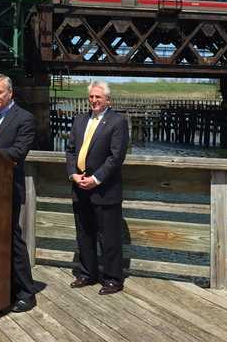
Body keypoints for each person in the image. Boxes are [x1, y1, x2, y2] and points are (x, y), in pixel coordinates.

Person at [0, 73, 37, 313]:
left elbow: (18, 151)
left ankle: (26, 292)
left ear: (10, 93)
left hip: (6, 189)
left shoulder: (24, 118)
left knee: (11, 239)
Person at [66, 81, 129, 295]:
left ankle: (112, 279)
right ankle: (87, 273)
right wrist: (73, 173)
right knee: (84, 233)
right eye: (91, 97)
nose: (93, 101)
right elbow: (70, 150)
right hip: (80, 186)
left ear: (108, 100)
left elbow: (116, 156)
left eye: (98, 97)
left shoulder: (117, 121)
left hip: (104, 189)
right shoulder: (80, 120)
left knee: (109, 237)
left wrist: (96, 178)